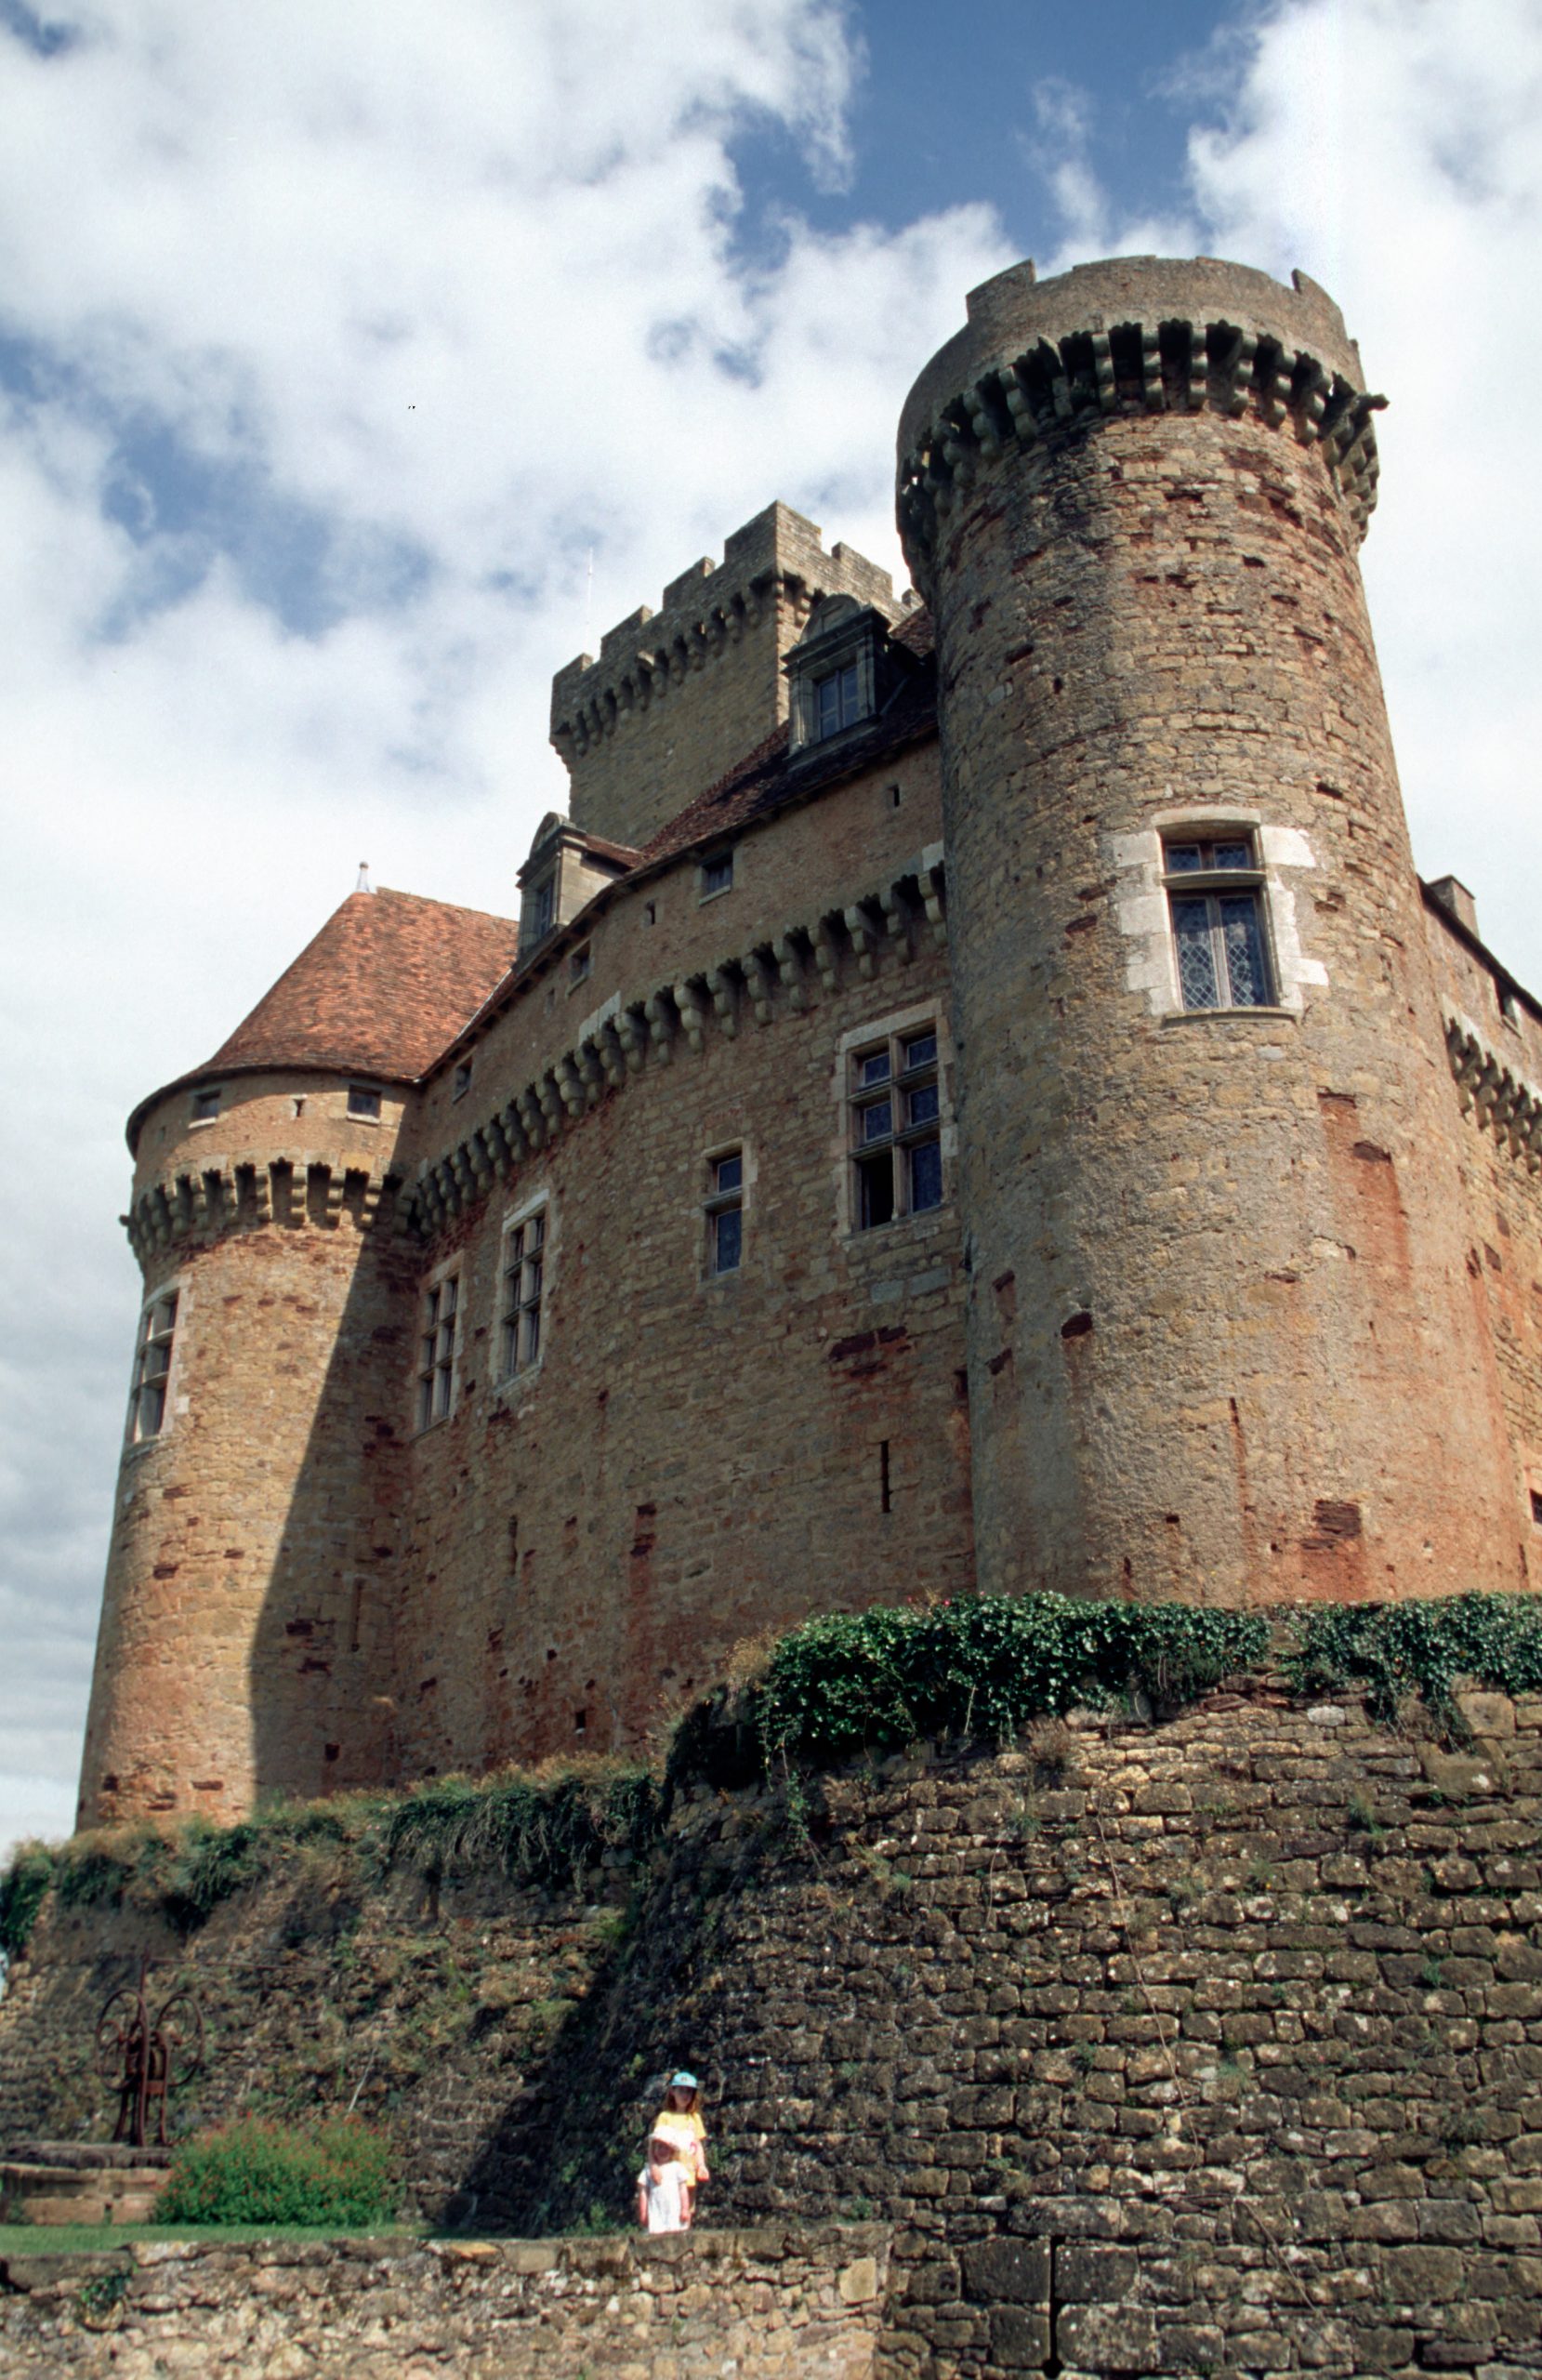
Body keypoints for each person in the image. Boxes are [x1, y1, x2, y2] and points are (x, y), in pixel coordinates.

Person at [650, 2069, 709, 2222]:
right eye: (681, 2090)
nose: (685, 2095)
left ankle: (685, 2233)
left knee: (687, 2211)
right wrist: (654, 2166)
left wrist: (701, 2165)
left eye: (688, 2091)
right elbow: (654, 2144)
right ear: (672, 2091)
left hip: (688, 2173)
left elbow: (697, 2145)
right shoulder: (665, 2117)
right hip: (669, 2173)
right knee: (669, 2209)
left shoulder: (694, 2118)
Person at [637, 2132, 691, 2234]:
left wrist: (685, 2209)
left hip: (674, 2211)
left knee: (676, 2235)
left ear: (672, 2151)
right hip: (656, 2211)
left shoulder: (677, 2167)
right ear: (654, 2150)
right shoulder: (648, 2170)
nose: (663, 2151)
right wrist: (643, 2213)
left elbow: (683, 2190)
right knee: (656, 2236)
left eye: (666, 2148)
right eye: (660, 2147)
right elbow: (643, 2193)